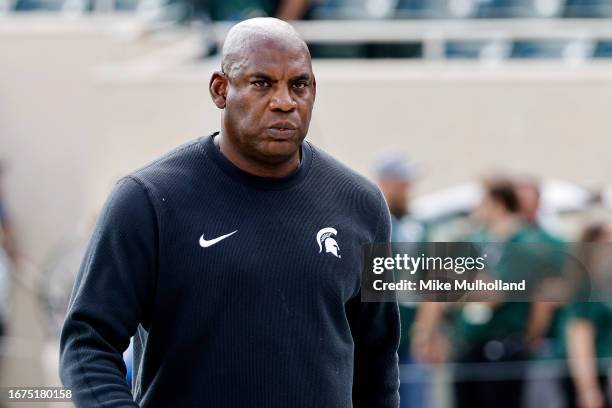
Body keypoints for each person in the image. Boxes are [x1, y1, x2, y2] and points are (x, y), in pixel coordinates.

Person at [59, 17, 400, 407]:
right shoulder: (147, 200)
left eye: (298, 85)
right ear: (220, 89)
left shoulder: (362, 204)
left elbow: (378, 363)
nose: (284, 102)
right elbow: (88, 343)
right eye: (262, 83)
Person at [375, 152, 431, 408]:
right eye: (402, 184)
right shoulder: (369, 221)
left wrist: (427, 331)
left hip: (409, 340)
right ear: (386, 183)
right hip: (375, 340)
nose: (408, 190)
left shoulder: (418, 227)